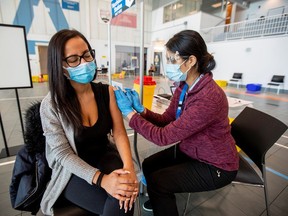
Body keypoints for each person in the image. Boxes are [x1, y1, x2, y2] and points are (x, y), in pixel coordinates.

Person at [114, 30, 239, 216]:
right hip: (192, 150)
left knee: (159, 182)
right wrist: (142, 110)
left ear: (191, 61)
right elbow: (166, 120)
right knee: (148, 165)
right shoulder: (184, 87)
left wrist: (129, 114)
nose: (169, 65)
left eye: (174, 60)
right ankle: (159, 200)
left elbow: (163, 137)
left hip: (215, 164)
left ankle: (161, 198)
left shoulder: (208, 98)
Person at [40, 29, 138, 216]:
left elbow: (119, 133)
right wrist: (103, 180)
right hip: (72, 170)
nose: (84, 62)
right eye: (74, 59)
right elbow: (62, 154)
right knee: (121, 204)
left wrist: (129, 168)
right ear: (60, 66)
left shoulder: (106, 92)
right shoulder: (51, 104)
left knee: (125, 191)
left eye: (86, 55)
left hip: (105, 156)